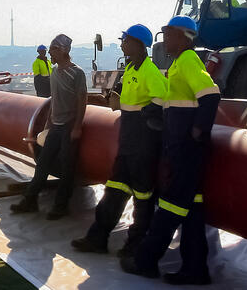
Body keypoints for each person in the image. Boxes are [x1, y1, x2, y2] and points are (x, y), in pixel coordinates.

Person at [123, 16, 219, 284]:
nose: (164, 40)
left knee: (170, 205)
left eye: (167, 34)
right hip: (181, 146)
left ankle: (145, 261)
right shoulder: (178, 64)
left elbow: (210, 95)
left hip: (187, 149)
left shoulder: (187, 60)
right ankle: (196, 268)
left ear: (182, 36)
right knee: (192, 209)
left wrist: (198, 131)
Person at [72, 24, 166, 256]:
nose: (122, 44)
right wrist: (115, 97)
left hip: (143, 145)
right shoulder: (133, 70)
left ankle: (136, 246)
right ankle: (97, 239)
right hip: (128, 143)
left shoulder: (150, 72)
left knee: (143, 198)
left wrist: (143, 115)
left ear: (137, 43)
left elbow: (161, 101)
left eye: (125, 40)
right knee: (113, 190)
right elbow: (126, 98)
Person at [10, 33, 87, 220]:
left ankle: (61, 206)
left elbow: (82, 100)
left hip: (69, 126)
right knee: (43, 163)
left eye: (54, 49)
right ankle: (30, 200)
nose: (50, 53)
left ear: (64, 51)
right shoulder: (54, 71)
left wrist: (77, 127)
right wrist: (48, 123)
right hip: (56, 126)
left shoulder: (77, 73)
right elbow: (53, 99)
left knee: (67, 167)